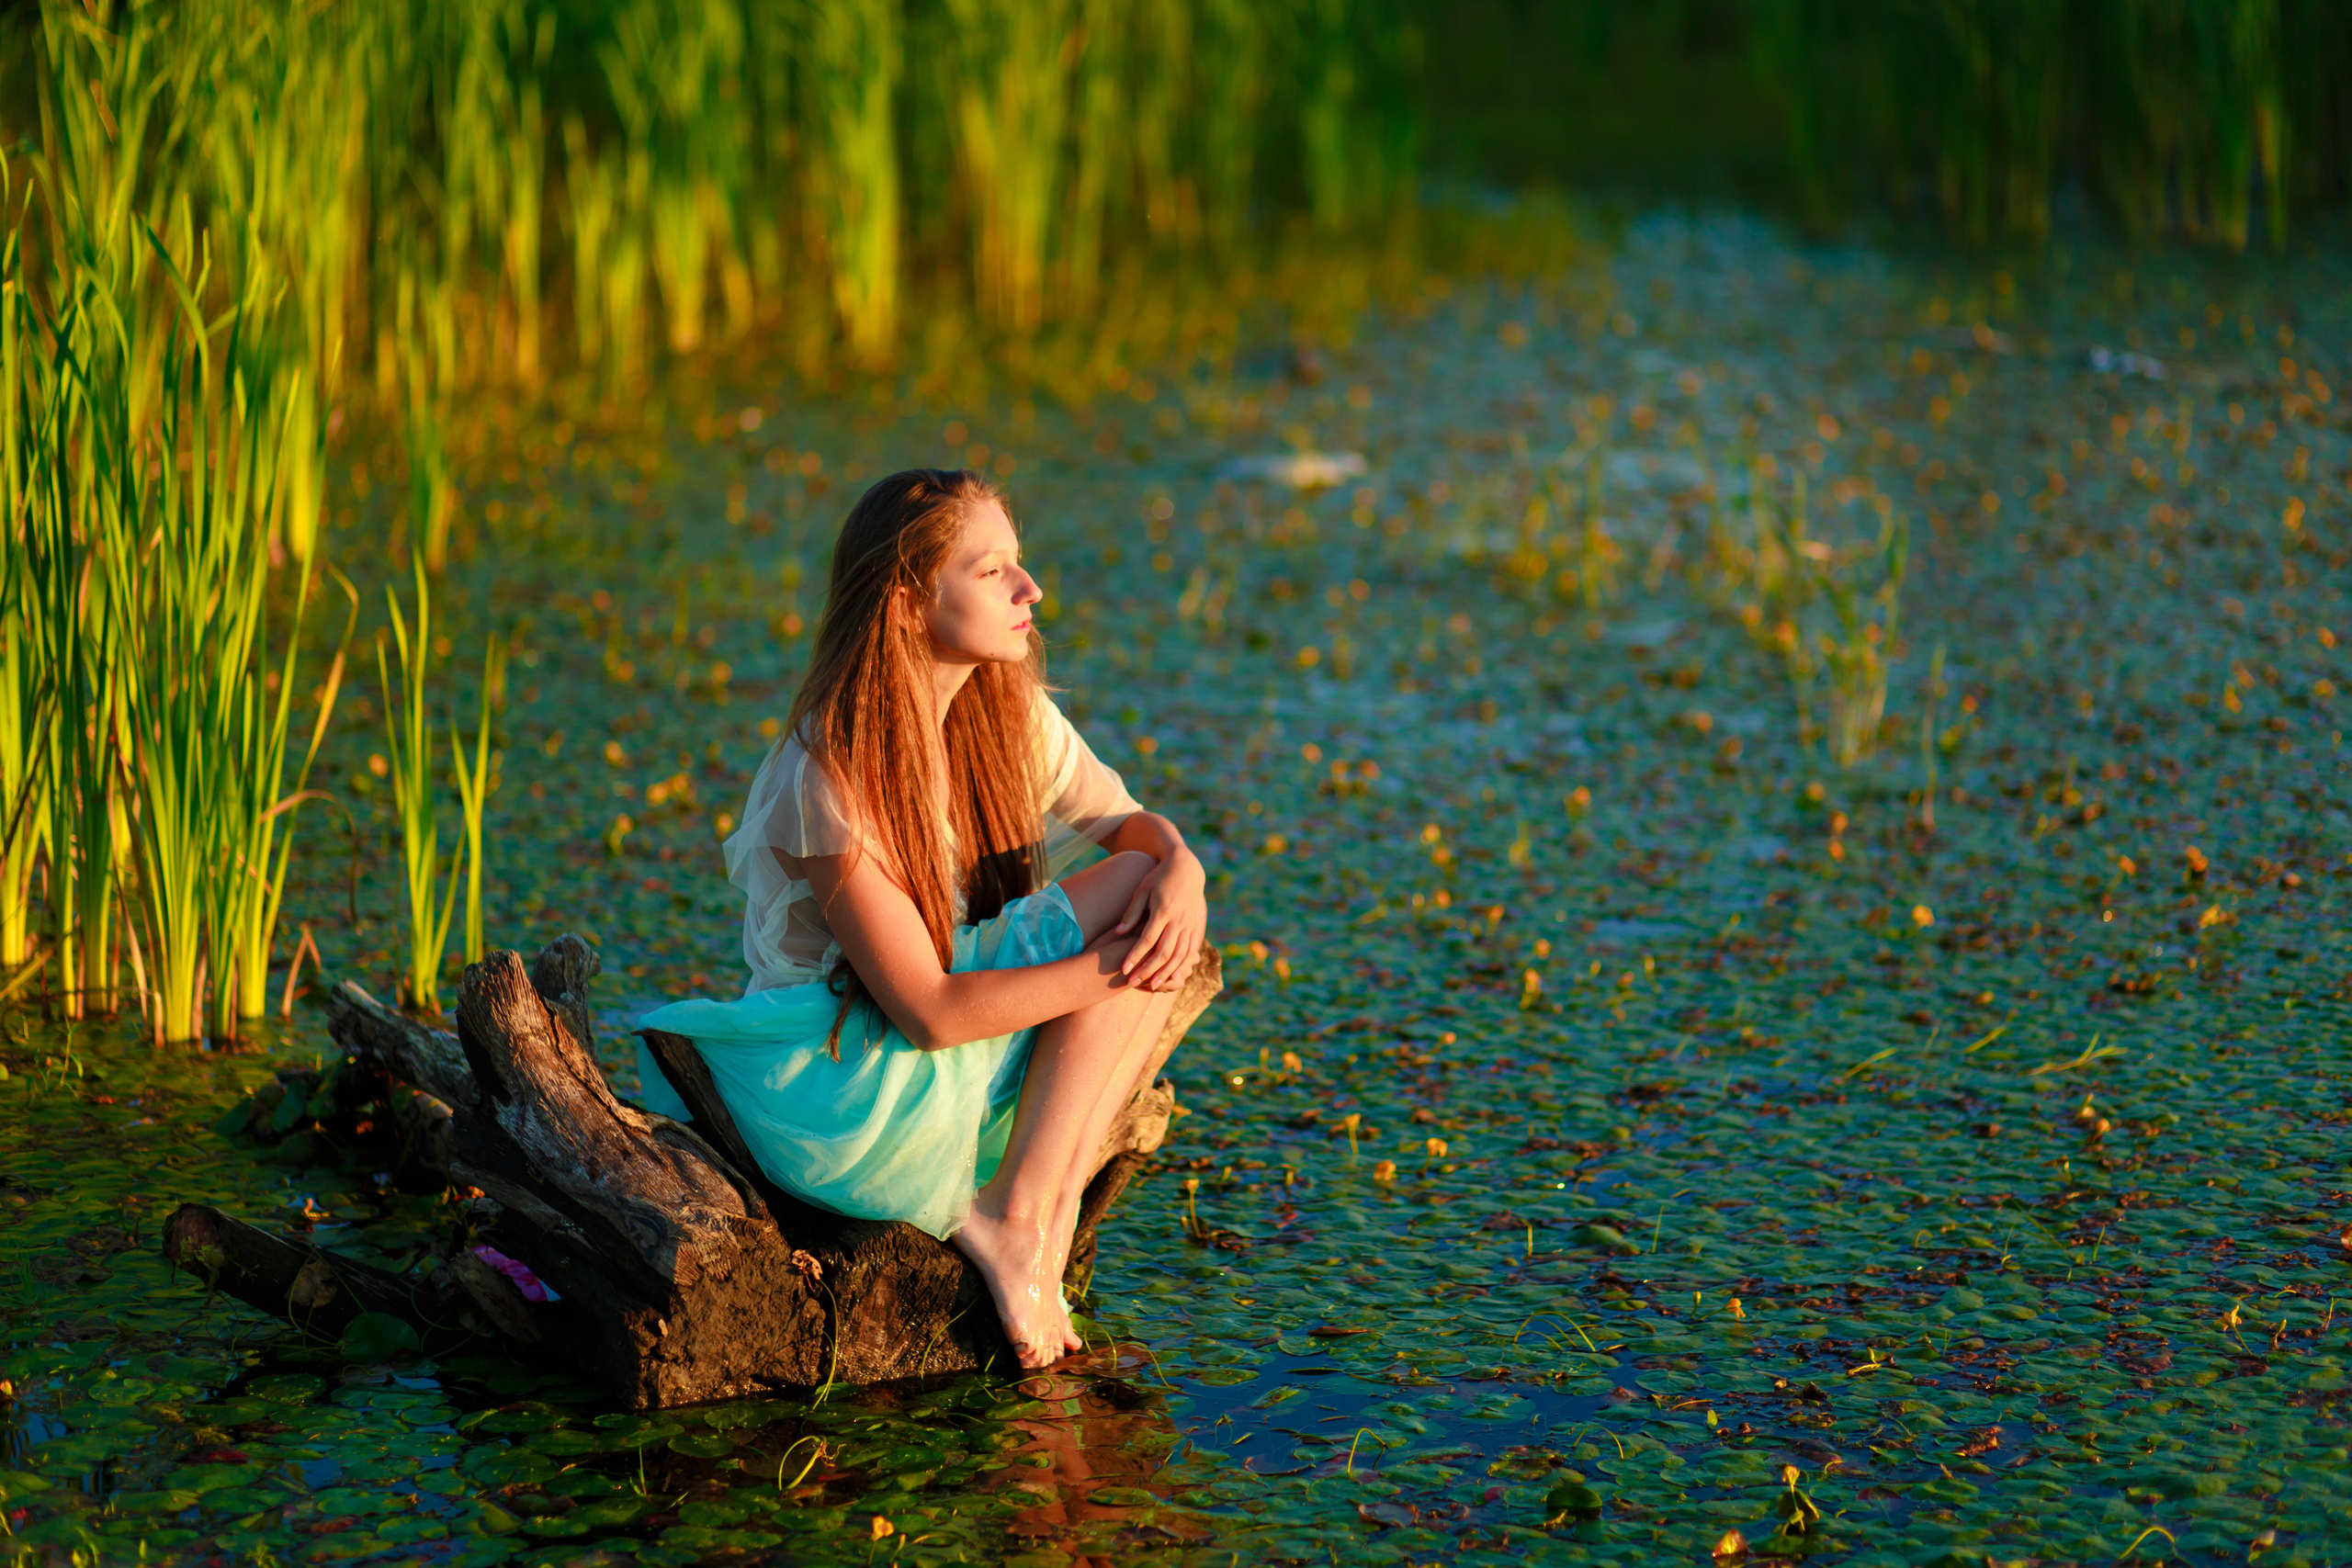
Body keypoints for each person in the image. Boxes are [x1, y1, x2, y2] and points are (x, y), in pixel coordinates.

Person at [636, 468, 1208, 1370]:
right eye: (992, 574)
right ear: (906, 604)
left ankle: (1041, 1218)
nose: (1032, 591)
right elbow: (926, 1010)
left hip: (940, 1067)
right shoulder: (830, 769)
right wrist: (1126, 962)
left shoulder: (1009, 716)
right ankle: (1018, 1215)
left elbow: (1139, 834)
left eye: (1019, 567)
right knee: (1140, 913)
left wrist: (1186, 868)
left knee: (1148, 886)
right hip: (846, 1095)